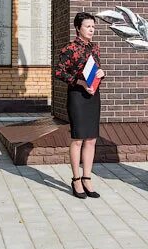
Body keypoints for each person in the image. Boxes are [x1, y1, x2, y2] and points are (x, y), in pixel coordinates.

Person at [53, 11, 106, 198]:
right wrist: (80, 82)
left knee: (91, 138)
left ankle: (87, 177)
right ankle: (76, 179)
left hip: (93, 95)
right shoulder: (69, 48)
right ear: (78, 28)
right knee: (78, 138)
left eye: (93, 27)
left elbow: (96, 69)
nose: (91, 30)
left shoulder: (95, 47)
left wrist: (101, 74)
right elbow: (59, 73)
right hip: (77, 95)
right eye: (87, 26)